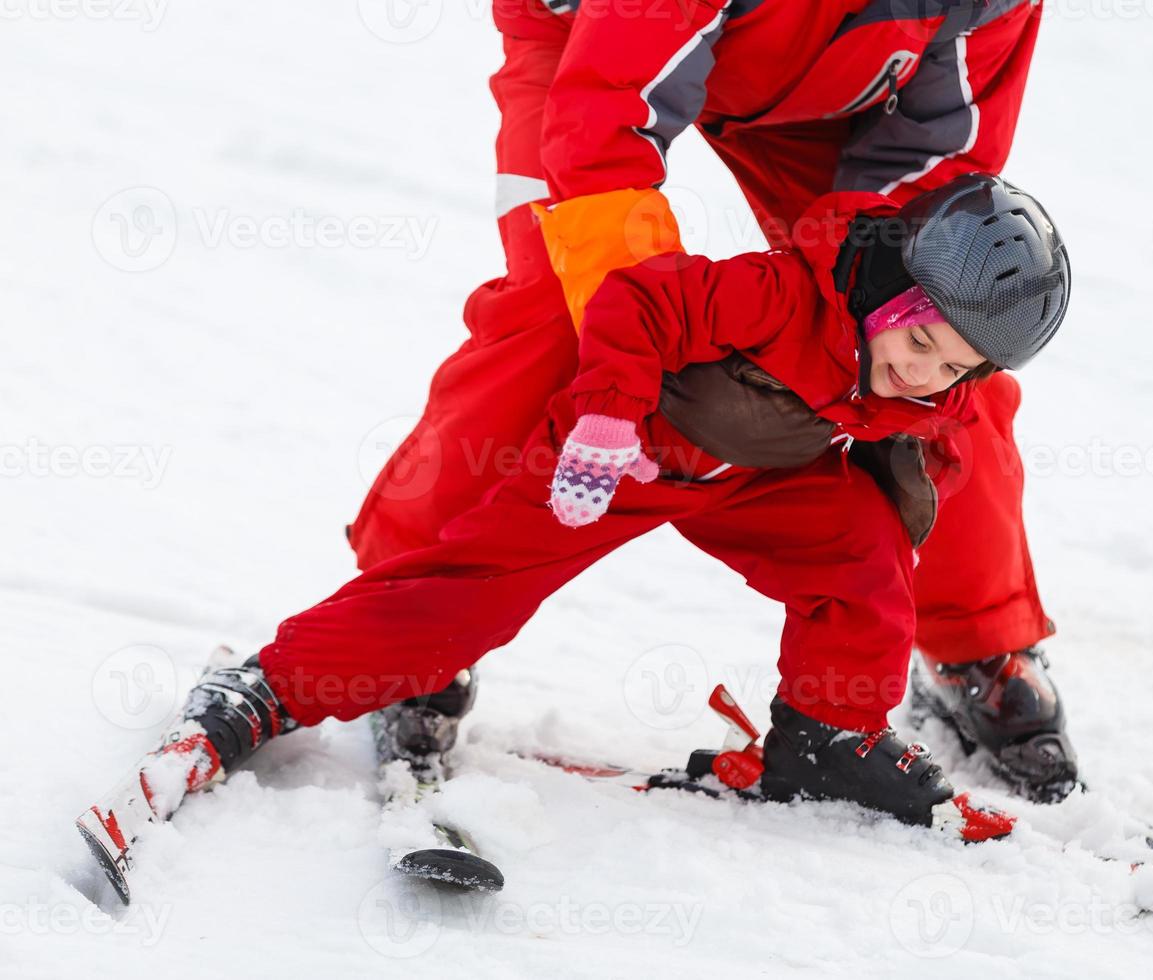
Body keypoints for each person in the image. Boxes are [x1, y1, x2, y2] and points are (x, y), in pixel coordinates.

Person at [102, 175, 1070, 853]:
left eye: (955, 367)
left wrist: (912, 479)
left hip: (755, 477)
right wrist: (605, 416)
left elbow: (925, 432)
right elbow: (638, 302)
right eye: (920, 340)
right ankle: (261, 692)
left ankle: (830, 732)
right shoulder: (775, 291)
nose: (923, 371)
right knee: (466, 599)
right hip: (623, 455)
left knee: (861, 558)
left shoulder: (926, 379)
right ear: (895, 285)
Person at [354, 0, 1079, 802]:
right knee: (560, 320)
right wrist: (651, 362)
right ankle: (403, 624)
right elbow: (608, 116)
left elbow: (943, 158)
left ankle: (978, 648)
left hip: (829, 91)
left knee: (934, 334)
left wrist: (856, 302)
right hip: (593, 49)